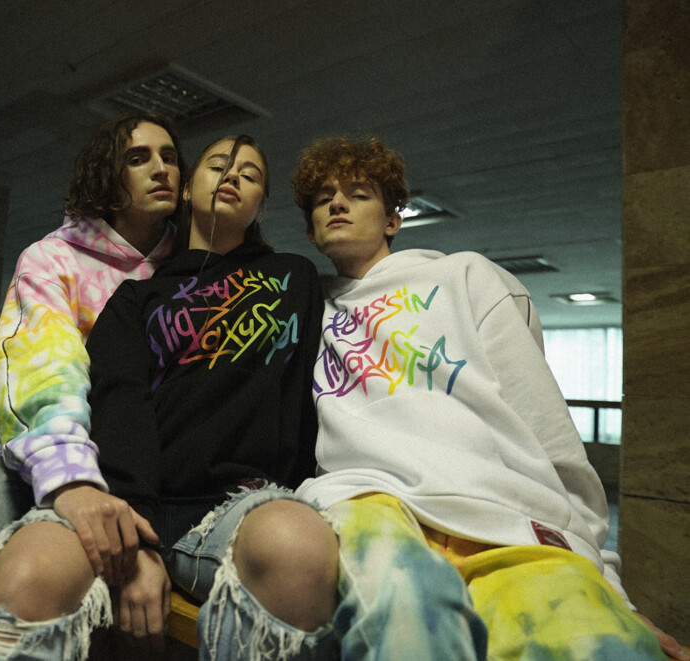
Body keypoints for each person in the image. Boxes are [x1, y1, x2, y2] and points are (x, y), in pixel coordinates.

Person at [0, 135, 339, 661]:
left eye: (251, 174)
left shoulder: (294, 277)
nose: (233, 176)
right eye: (218, 165)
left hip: (237, 504)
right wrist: (138, 535)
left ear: (261, 206)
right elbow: (120, 402)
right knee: (28, 575)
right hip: (126, 498)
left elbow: (308, 399)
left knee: (301, 548)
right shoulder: (136, 295)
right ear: (188, 191)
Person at [289, 134, 683, 660]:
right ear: (311, 231)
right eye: (323, 199)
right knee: (408, 624)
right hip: (369, 503)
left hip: (501, 512)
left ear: (393, 221)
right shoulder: (306, 310)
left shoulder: (466, 275)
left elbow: (547, 431)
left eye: (358, 194)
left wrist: (608, 584)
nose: (337, 204)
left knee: (601, 647)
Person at [0, 112, 185, 661]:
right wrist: (70, 480)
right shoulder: (54, 258)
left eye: (170, 157)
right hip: (46, 446)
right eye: (139, 158)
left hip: (145, 459)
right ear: (109, 179)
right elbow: (43, 367)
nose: (161, 169)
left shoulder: (191, 269)